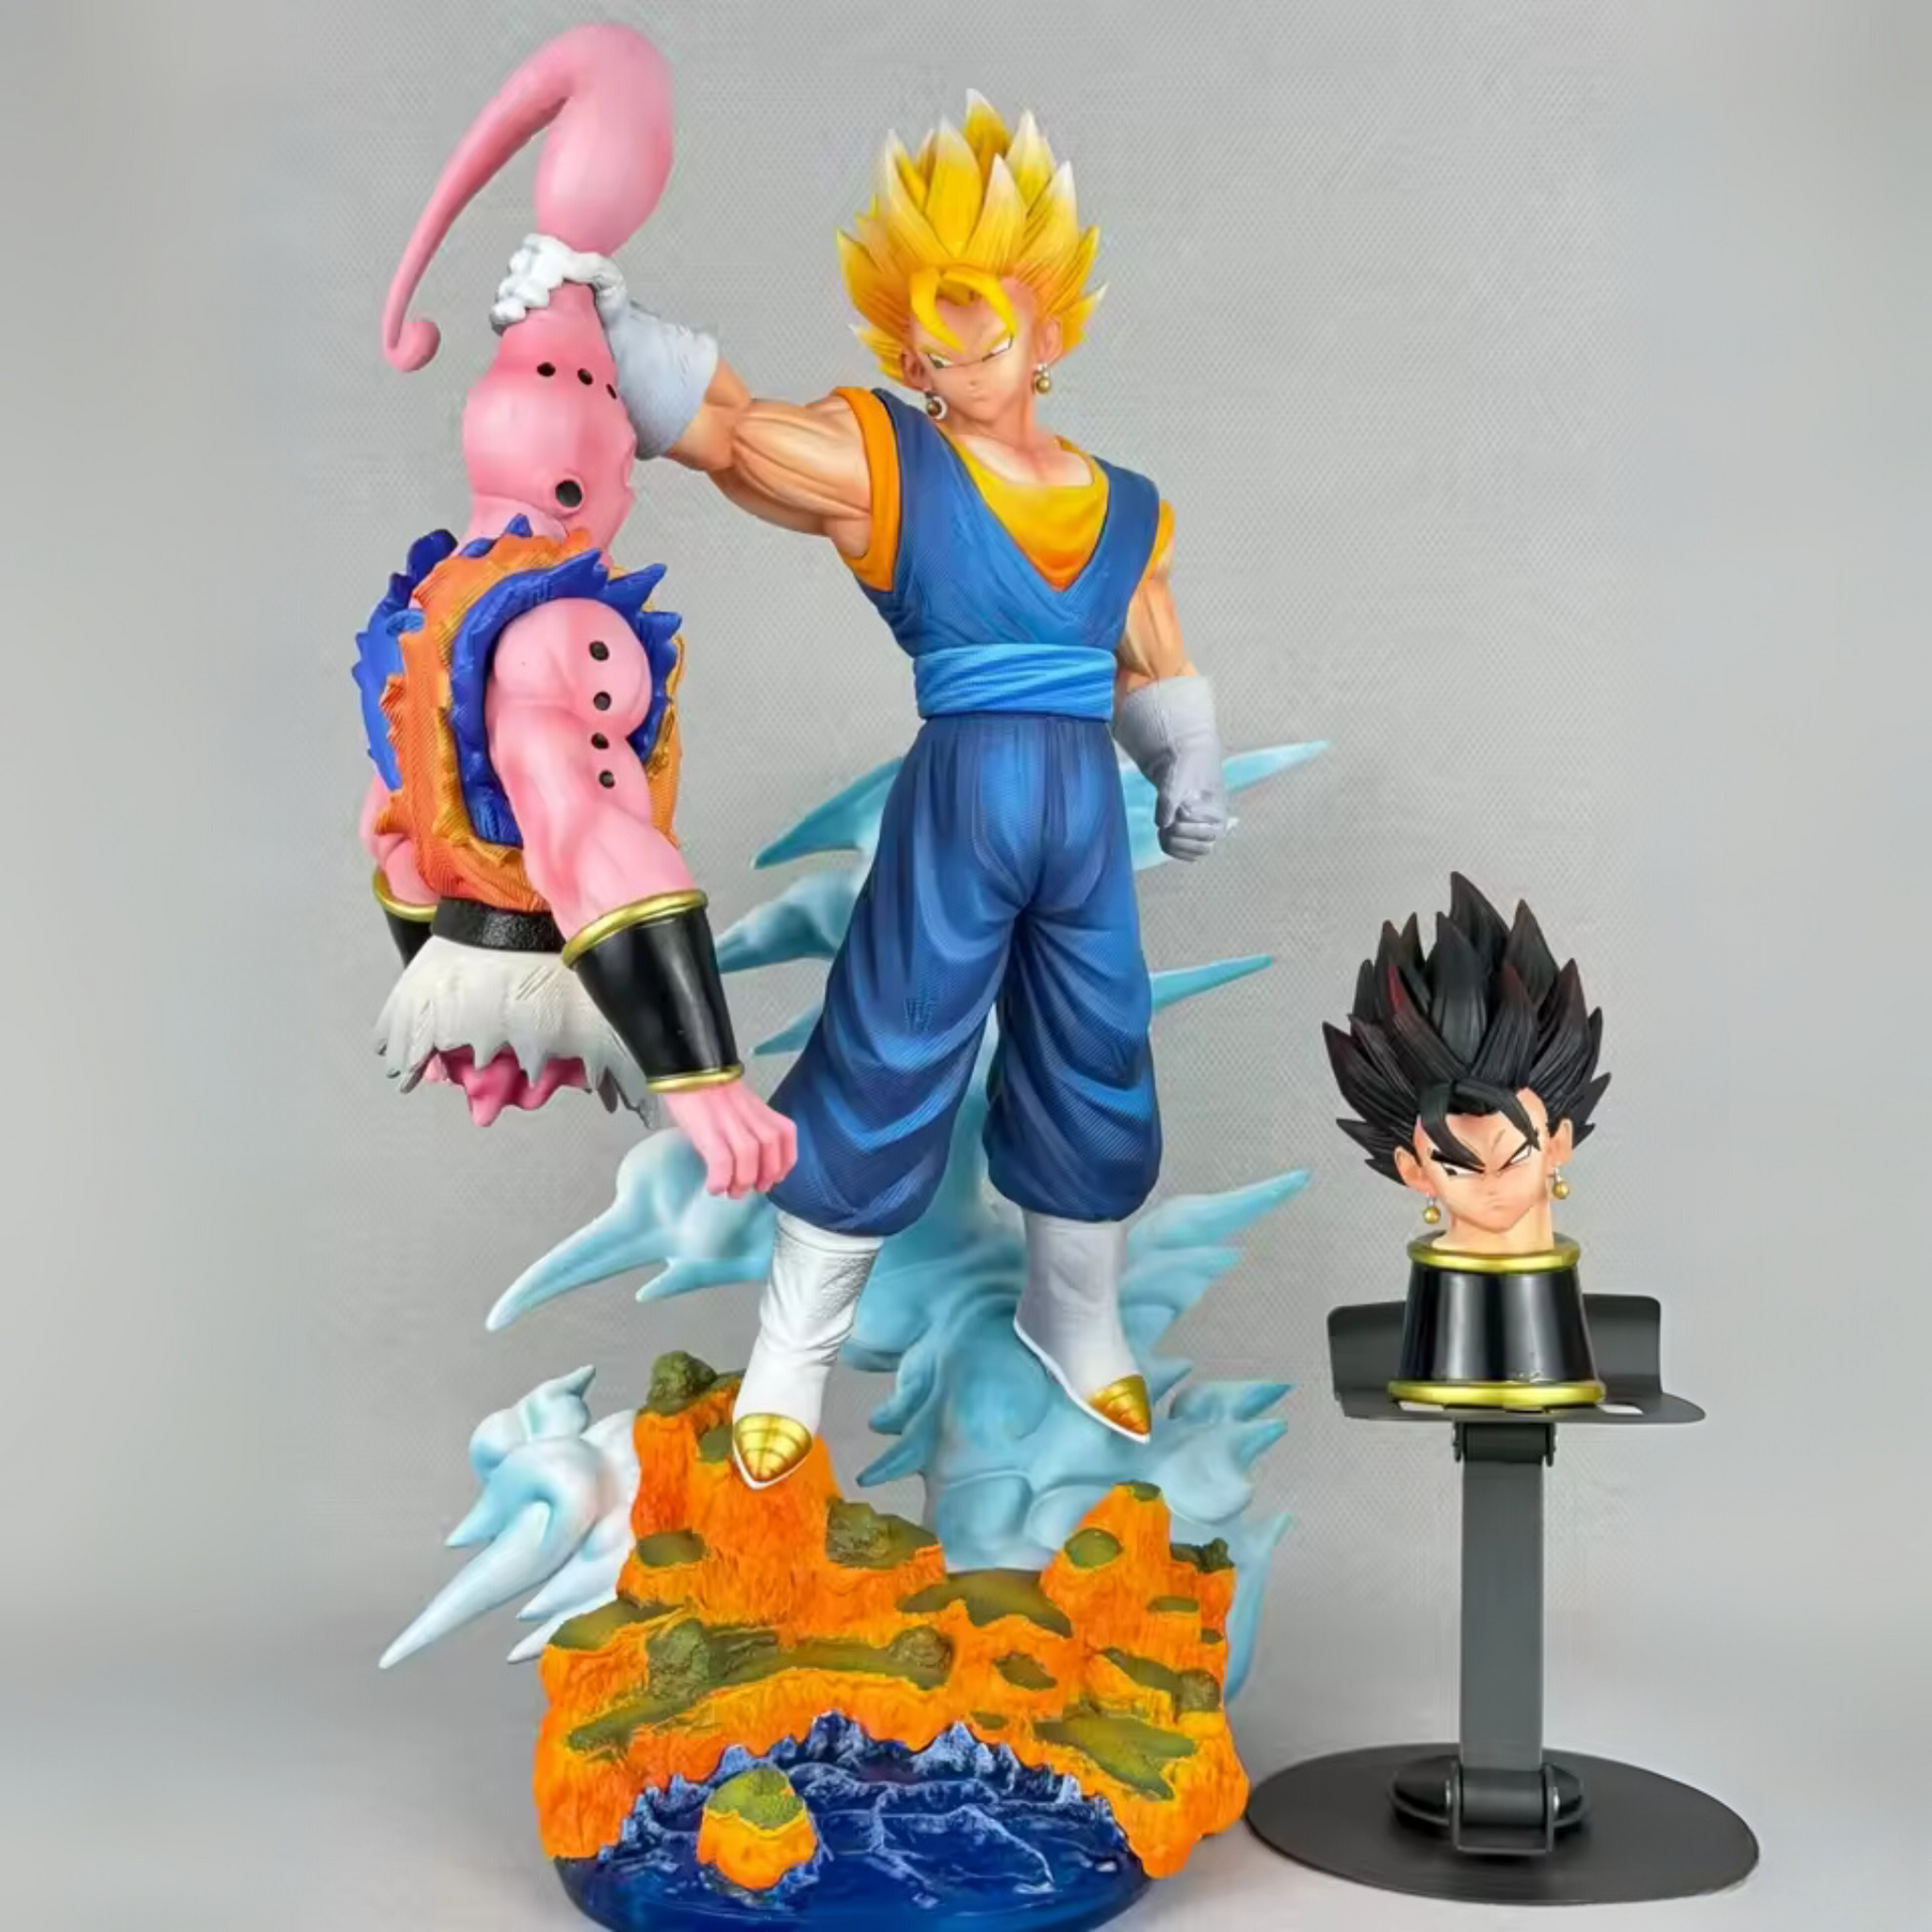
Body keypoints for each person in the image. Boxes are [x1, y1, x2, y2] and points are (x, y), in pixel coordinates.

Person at [493, 96, 1231, 1486]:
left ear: (1049, 331)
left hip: (1082, 814)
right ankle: (796, 1344)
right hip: (959, 804)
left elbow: (1154, 655)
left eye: (986, 334)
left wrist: (1183, 760)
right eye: (928, 344)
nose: (955, 359)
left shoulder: (1127, 503)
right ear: (904, 347)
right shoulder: (888, 458)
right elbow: (731, 433)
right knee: (893, 1039)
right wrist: (609, 319)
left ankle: (1075, 1312)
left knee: (1097, 1045)